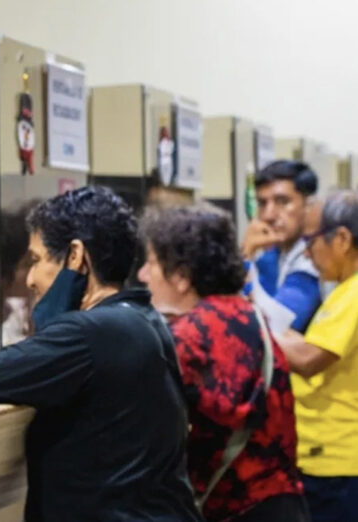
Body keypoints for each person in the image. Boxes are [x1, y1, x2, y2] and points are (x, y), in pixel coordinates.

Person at [0, 186, 201, 522]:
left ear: (75, 257)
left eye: (36, 260)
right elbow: (34, 361)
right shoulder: (141, 319)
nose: (31, 279)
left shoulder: (90, 332)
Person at [139, 204, 308, 522]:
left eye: (151, 263)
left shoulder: (187, 338)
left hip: (234, 507)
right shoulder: (248, 315)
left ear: (181, 277)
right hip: (283, 504)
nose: (142, 275)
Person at [275, 191, 358, 522]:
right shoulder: (342, 292)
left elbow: (309, 360)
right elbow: (313, 344)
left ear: (341, 238)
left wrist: (248, 325)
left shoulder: (354, 294)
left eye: (310, 241)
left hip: (338, 464)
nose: (308, 254)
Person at [241, 160, 321, 332]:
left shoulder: (315, 256)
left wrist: (246, 255)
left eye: (282, 201)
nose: (269, 215)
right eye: (262, 203)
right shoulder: (274, 254)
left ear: (309, 205)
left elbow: (279, 325)